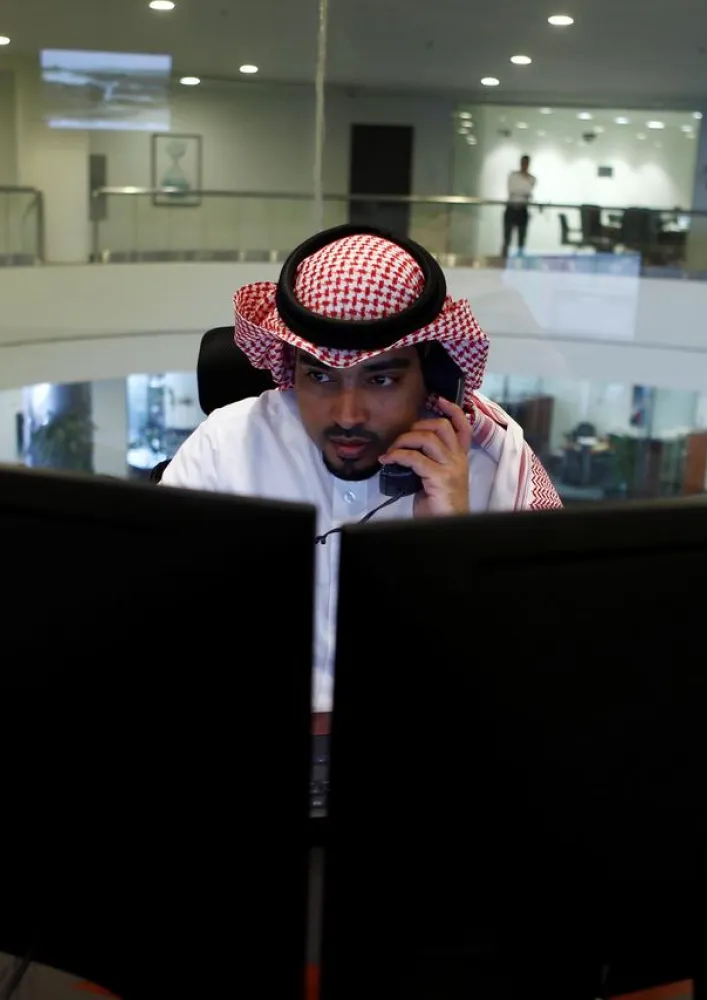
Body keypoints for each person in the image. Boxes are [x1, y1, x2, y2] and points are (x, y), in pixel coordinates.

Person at [161, 225, 561, 709]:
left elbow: (542, 665)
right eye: (320, 376)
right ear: (290, 369)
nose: (348, 416)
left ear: (434, 375)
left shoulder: (496, 465)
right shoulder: (226, 445)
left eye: (381, 379)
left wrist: (451, 543)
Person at [503, 155, 537, 257]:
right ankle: (504, 260)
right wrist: (525, 192)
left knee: (521, 240)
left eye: (526, 163)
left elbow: (528, 190)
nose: (524, 165)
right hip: (511, 208)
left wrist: (525, 192)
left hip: (522, 210)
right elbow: (513, 189)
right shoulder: (513, 176)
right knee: (507, 239)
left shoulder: (532, 179)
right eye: (523, 163)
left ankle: (520, 260)